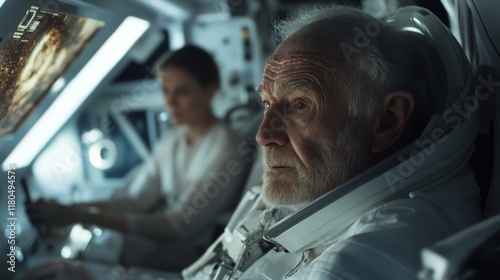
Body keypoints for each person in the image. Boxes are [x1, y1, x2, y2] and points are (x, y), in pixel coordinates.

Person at [182, 5, 482, 280]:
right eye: (266, 103)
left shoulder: (365, 258)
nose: (263, 136)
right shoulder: (330, 186)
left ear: (386, 120)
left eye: (300, 105)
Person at [25, 45, 253, 271]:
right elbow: (136, 200)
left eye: (182, 92)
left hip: (196, 255)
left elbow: (178, 225)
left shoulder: (228, 147)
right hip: (159, 241)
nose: (170, 102)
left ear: (209, 92)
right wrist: (68, 210)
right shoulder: (173, 139)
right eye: (165, 91)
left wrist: (78, 215)